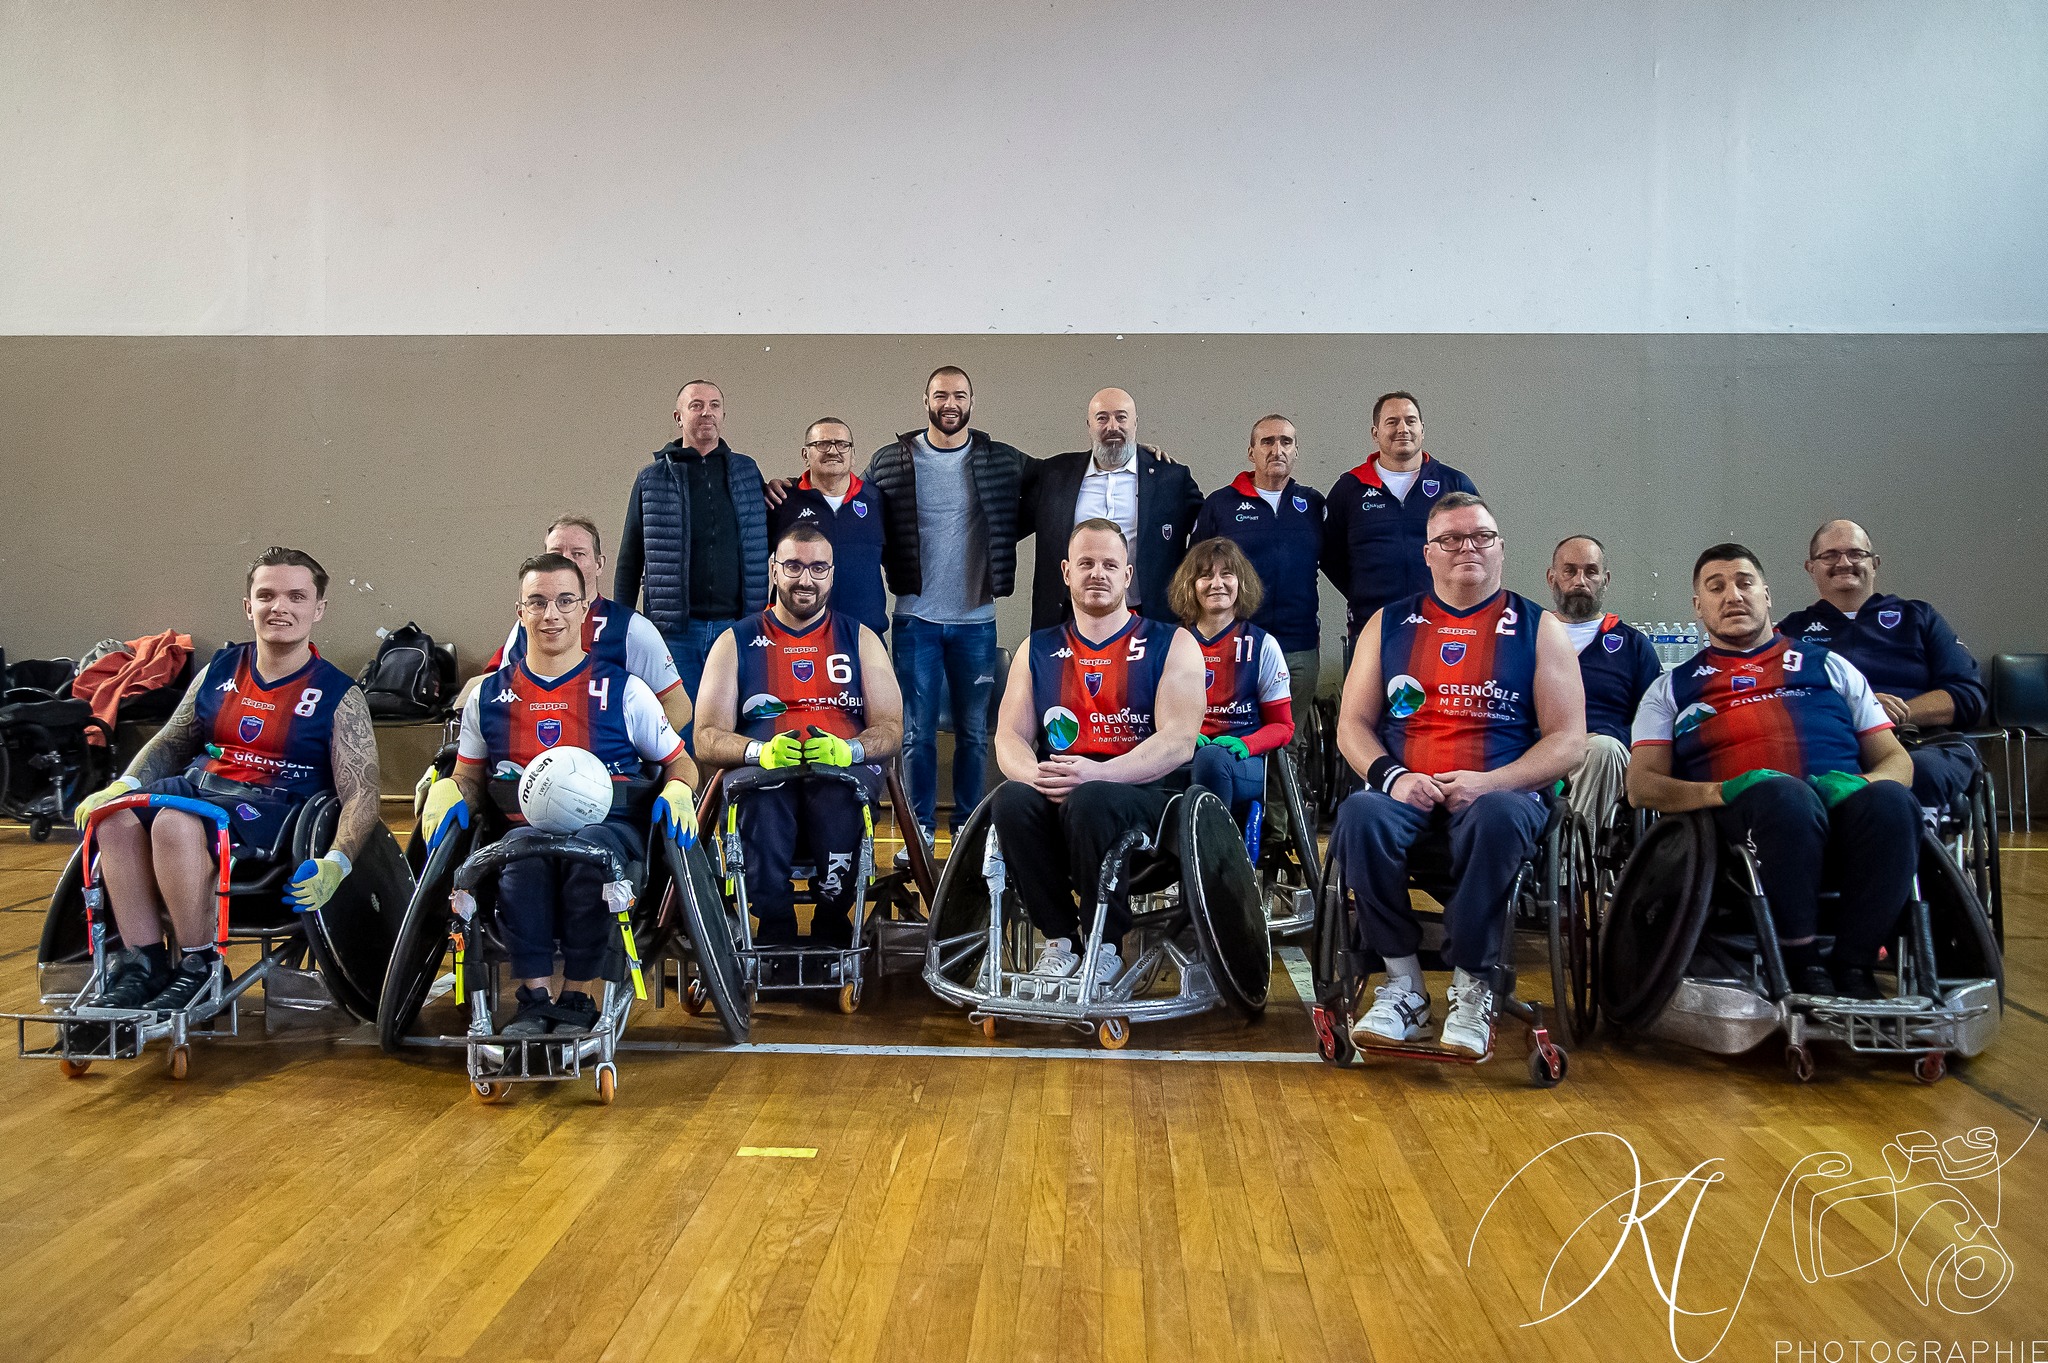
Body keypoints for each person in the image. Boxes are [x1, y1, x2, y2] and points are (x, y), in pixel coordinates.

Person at [71, 548, 383, 1012]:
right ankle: (144, 962)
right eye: (267, 595)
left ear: (317, 610)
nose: (280, 607)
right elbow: (169, 743)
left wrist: (338, 860)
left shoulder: (339, 694)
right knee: (113, 820)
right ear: (248, 605)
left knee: (173, 823)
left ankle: (200, 965)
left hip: (272, 810)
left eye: (296, 597)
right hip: (202, 789)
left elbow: (362, 792)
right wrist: (123, 786)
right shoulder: (218, 671)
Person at [1331, 493, 1586, 1058]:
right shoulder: (1389, 623)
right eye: (1451, 539)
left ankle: (1474, 986)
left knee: (1495, 816)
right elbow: (1352, 724)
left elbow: (1568, 742)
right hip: (1407, 789)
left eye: (1481, 537)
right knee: (1359, 813)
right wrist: (1391, 777)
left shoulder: (1540, 628)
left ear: (1500, 548)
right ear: (1428, 553)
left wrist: (1489, 783)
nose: (1467, 547)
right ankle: (1404, 987)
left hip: (1502, 793)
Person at [419, 553, 698, 1038]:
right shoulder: (487, 698)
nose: (551, 614)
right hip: (521, 831)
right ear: (519, 611)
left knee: (589, 854)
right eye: (538, 602)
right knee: (521, 858)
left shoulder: (626, 691)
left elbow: (681, 761)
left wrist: (677, 790)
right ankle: (533, 1001)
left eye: (565, 601)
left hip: (610, 831)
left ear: (585, 608)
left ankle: (578, 997)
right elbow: (468, 775)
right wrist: (450, 789)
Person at [1628, 542, 1919, 1000]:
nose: (1733, 595)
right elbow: (1642, 787)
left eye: (1745, 583)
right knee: (1786, 797)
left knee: (1893, 800)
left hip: (1843, 819)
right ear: (1698, 606)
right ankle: (1801, 962)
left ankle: (1855, 965)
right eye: (1716, 586)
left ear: (1767, 595)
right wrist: (1724, 791)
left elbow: (1897, 761)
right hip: (1737, 834)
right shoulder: (1670, 689)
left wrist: (1861, 783)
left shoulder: (1832, 667)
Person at [990, 519, 1205, 986]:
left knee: (1092, 799)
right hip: (1067, 785)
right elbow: (1008, 736)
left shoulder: (1174, 643)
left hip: (1145, 795)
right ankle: (1061, 940)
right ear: (1066, 572)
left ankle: (1106, 943)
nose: (1097, 574)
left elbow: (1178, 741)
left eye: (1110, 564)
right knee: (1009, 799)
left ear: (1129, 575)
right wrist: (1036, 777)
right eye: (1085, 563)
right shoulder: (1038, 648)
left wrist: (1096, 776)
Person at [692, 526, 904, 949]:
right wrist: (757, 752)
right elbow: (706, 736)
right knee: (760, 794)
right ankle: (774, 925)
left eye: (817, 568)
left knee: (841, 791)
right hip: (763, 773)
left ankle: (833, 918)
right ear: (774, 570)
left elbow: (893, 728)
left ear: (832, 573)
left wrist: (851, 749)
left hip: (841, 772)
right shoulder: (734, 641)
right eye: (793, 566)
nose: (805, 579)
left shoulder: (860, 639)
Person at [865, 366, 1030, 863]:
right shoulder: (893, 460)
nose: (950, 403)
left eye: (959, 395)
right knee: (914, 732)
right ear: (926, 400)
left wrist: (1140, 456)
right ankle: (914, 830)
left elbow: (1056, 478)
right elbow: (850, 498)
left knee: (975, 733)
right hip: (916, 619)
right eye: (941, 395)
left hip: (976, 620)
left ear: (972, 401)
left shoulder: (999, 459)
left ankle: (965, 832)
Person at [1777, 519, 1986, 810]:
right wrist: (1864, 710)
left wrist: (1897, 713)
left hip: (1919, 743)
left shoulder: (1918, 617)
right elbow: (1777, 701)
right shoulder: (1791, 632)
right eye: (1830, 555)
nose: (1844, 562)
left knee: (1917, 772)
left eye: (1856, 554)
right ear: (1810, 567)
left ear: (1874, 563)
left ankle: (1918, 845)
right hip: (1831, 747)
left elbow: (1967, 696)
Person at [613, 380, 770, 726]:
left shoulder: (747, 472)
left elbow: (767, 541)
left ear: (723, 415)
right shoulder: (652, 479)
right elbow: (629, 559)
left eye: (714, 405)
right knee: (680, 730)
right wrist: (620, 627)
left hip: (738, 627)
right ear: (679, 416)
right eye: (696, 405)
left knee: (734, 728)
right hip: (674, 632)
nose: (706, 413)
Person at [1189, 414, 1326, 806]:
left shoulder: (1312, 505)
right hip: (1234, 648)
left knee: (1289, 743)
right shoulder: (1221, 505)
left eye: (1286, 442)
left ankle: (1283, 832)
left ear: (1296, 452)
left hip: (1298, 645)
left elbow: (1337, 562)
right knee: (1227, 740)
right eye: (1266, 442)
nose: (1276, 450)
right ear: (1251, 451)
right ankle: (1226, 825)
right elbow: (1196, 570)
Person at [1022, 388, 1204, 632]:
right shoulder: (1054, 474)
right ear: (1089, 425)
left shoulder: (1170, 478)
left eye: (1121, 417)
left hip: (1149, 618)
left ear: (1135, 424)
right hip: (1066, 619)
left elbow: (1208, 531)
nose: (1112, 426)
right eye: (1102, 418)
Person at [1322, 391, 1478, 647]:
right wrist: (1363, 589)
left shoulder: (1454, 484)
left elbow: (1479, 547)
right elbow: (1329, 555)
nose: (1402, 429)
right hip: (1372, 628)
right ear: (1375, 433)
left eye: (1410, 420)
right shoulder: (1349, 489)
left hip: (1445, 626)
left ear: (1422, 429)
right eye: (1392, 422)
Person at [1168, 538, 1294, 827]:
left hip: (1240, 761)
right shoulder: (1169, 642)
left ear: (1241, 582)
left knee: (1211, 760)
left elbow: (1283, 726)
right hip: (1179, 753)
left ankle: (1213, 861)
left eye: (1227, 574)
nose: (1217, 583)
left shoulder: (1263, 644)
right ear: (1191, 585)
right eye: (1205, 575)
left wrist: (1246, 745)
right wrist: (1178, 735)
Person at [1545, 534, 1661, 825]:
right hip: (1538, 751)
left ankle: (1576, 864)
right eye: (1569, 571)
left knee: (1602, 751)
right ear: (1552, 578)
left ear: (1605, 579)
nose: (1580, 580)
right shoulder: (1527, 637)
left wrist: (1606, 737)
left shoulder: (1633, 646)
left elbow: (1652, 725)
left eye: (1591, 571)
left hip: (1601, 753)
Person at [767, 418, 889, 638]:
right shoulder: (782, 501)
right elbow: (753, 565)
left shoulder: (876, 500)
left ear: (853, 455)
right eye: (822, 444)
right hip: (797, 635)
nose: (834, 451)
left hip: (864, 635)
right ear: (805, 455)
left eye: (842, 444)